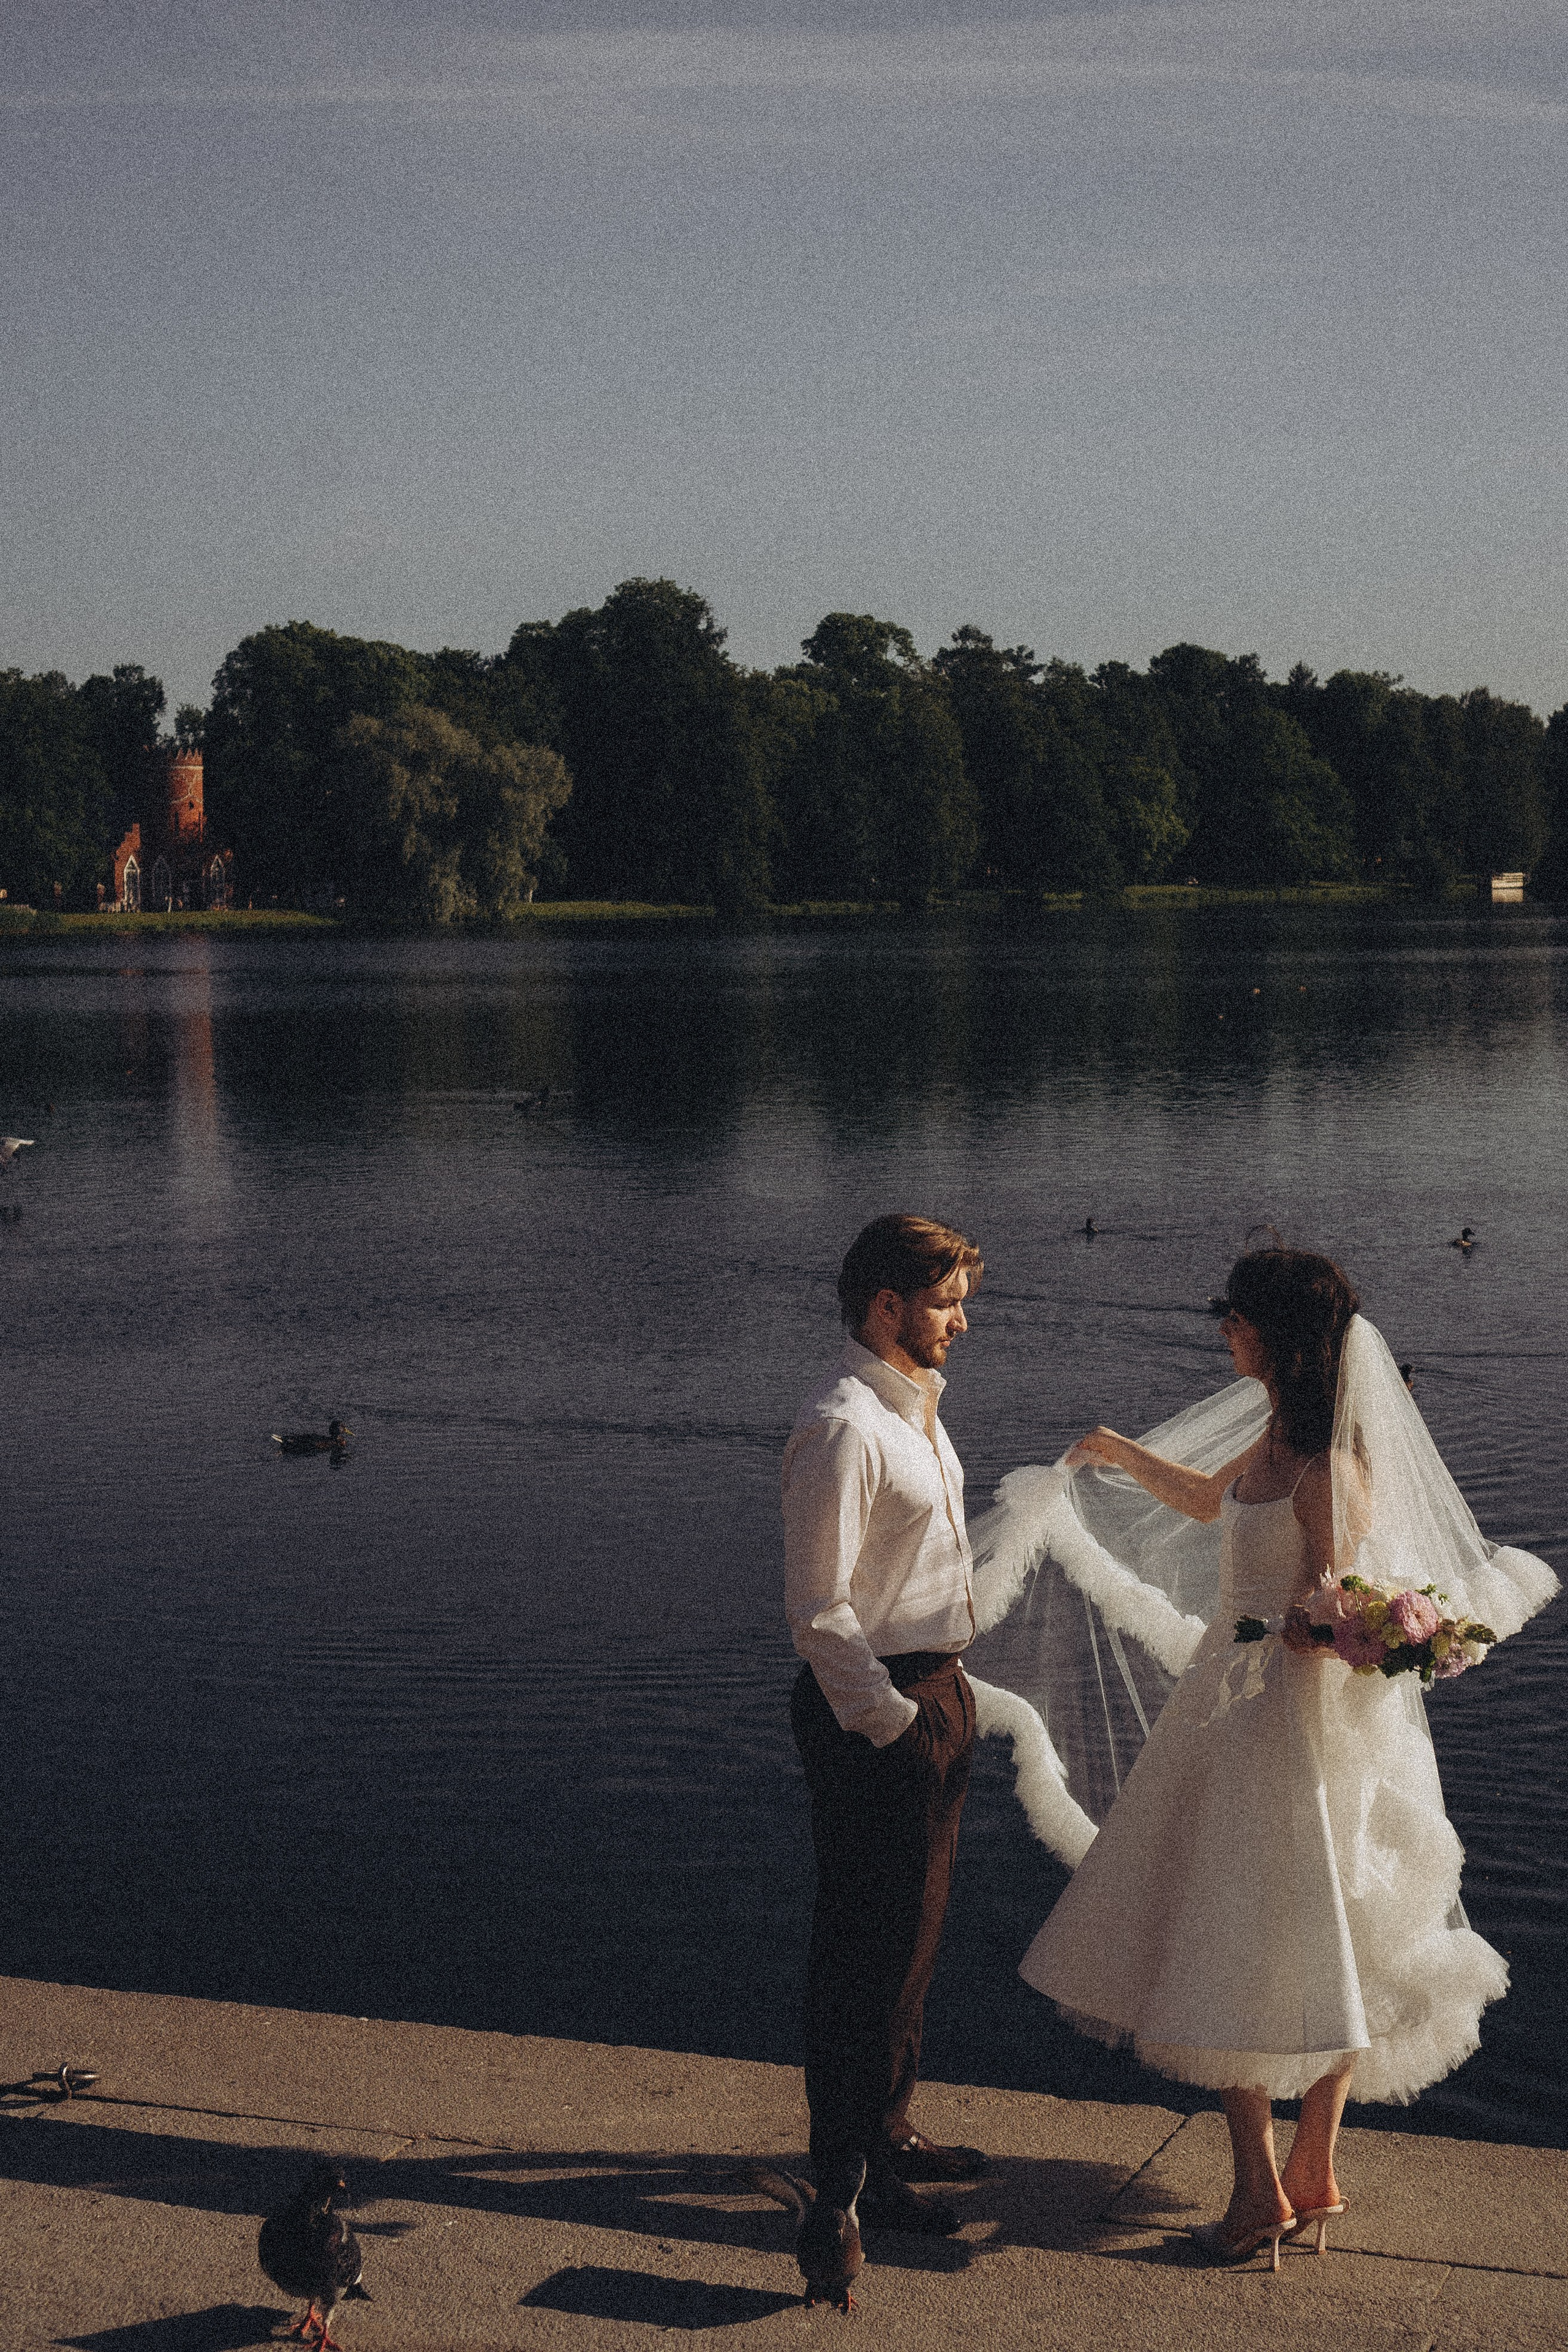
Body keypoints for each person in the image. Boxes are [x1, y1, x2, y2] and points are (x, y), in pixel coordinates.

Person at [1016, 1244, 1555, 2267]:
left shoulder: (1332, 1468)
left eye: (1238, 1318)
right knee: (1270, 1927)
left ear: (1283, 1339)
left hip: (1287, 1724)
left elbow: (1336, 1614)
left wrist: (1311, 1629)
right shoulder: (1276, 1436)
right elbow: (1213, 1504)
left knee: (1274, 1932)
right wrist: (1120, 1453)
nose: (1225, 1329)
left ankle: (1276, 2182)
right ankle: (1300, 2176)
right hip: (1231, 1700)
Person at [783, 1213, 990, 2248]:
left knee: (914, 1942)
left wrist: (949, 1700)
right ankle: (850, 2170)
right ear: (886, 1307)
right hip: (880, 1711)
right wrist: (897, 1725)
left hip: (936, 1692)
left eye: (960, 1300)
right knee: (866, 1949)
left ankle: (890, 2130)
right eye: (946, 1301)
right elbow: (821, 1612)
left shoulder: (918, 1413)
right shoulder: (846, 1427)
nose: (961, 1319)